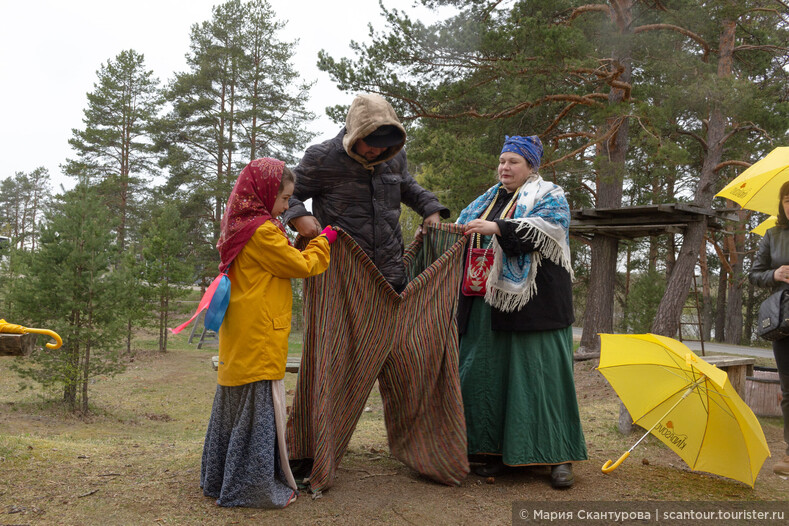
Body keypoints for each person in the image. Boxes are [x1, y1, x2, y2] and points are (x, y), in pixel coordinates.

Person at [200, 157, 335, 508]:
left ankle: (221, 477)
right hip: (259, 331)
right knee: (257, 408)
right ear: (262, 193)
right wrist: (324, 241)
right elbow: (301, 265)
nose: (288, 205)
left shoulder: (240, 224)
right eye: (284, 198)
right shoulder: (262, 231)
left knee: (236, 404)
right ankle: (252, 487)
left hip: (242, 329)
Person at [455, 135, 587, 489]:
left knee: (541, 381)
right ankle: (497, 452)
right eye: (502, 161)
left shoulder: (549, 195)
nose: (504, 167)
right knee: (491, 377)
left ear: (531, 166)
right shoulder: (487, 199)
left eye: (513, 161)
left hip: (537, 307)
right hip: (488, 305)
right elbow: (465, 226)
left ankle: (558, 456)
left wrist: (497, 228)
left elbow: (551, 228)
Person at [282, 93, 449, 292]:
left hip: (390, 276)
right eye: (371, 143)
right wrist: (298, 216)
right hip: (341, 279)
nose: (378, 151)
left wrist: (431, 209)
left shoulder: (395, 158)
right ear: (355, 134)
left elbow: (409, 187)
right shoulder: (322, 157)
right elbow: (285, 193)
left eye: (383, 144)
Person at [748, 180, 789, 477]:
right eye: (787, 199)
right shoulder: (772, 236)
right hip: (785, 323)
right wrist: (774, 273)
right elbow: (754, 274)